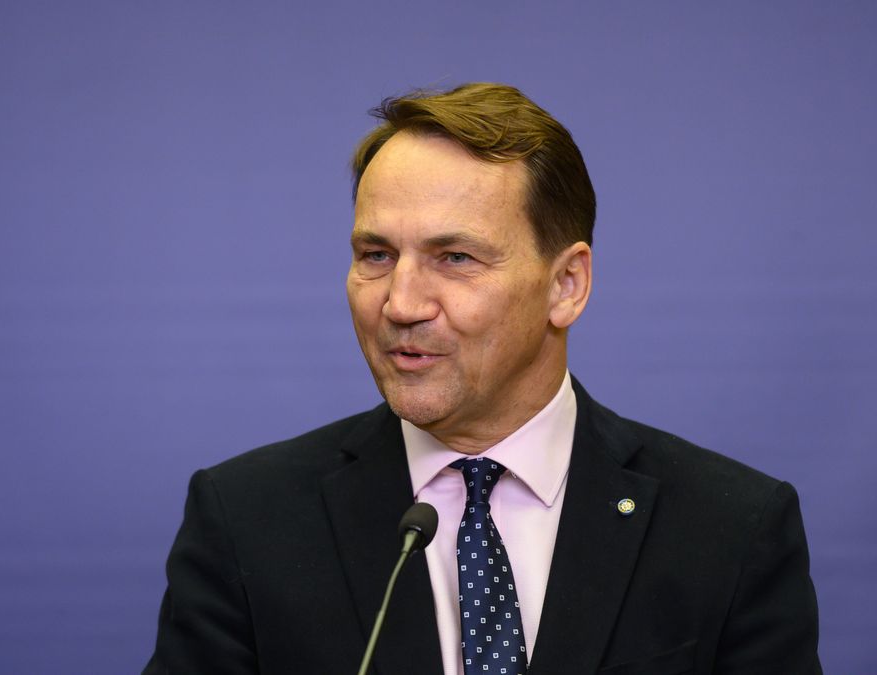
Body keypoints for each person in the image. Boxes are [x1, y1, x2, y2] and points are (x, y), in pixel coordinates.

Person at [143, 83, 821, 675]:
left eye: (456, 257)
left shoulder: (731, 529)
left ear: (566, 284)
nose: (402, 303)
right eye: (376, 254)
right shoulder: (245, 520)